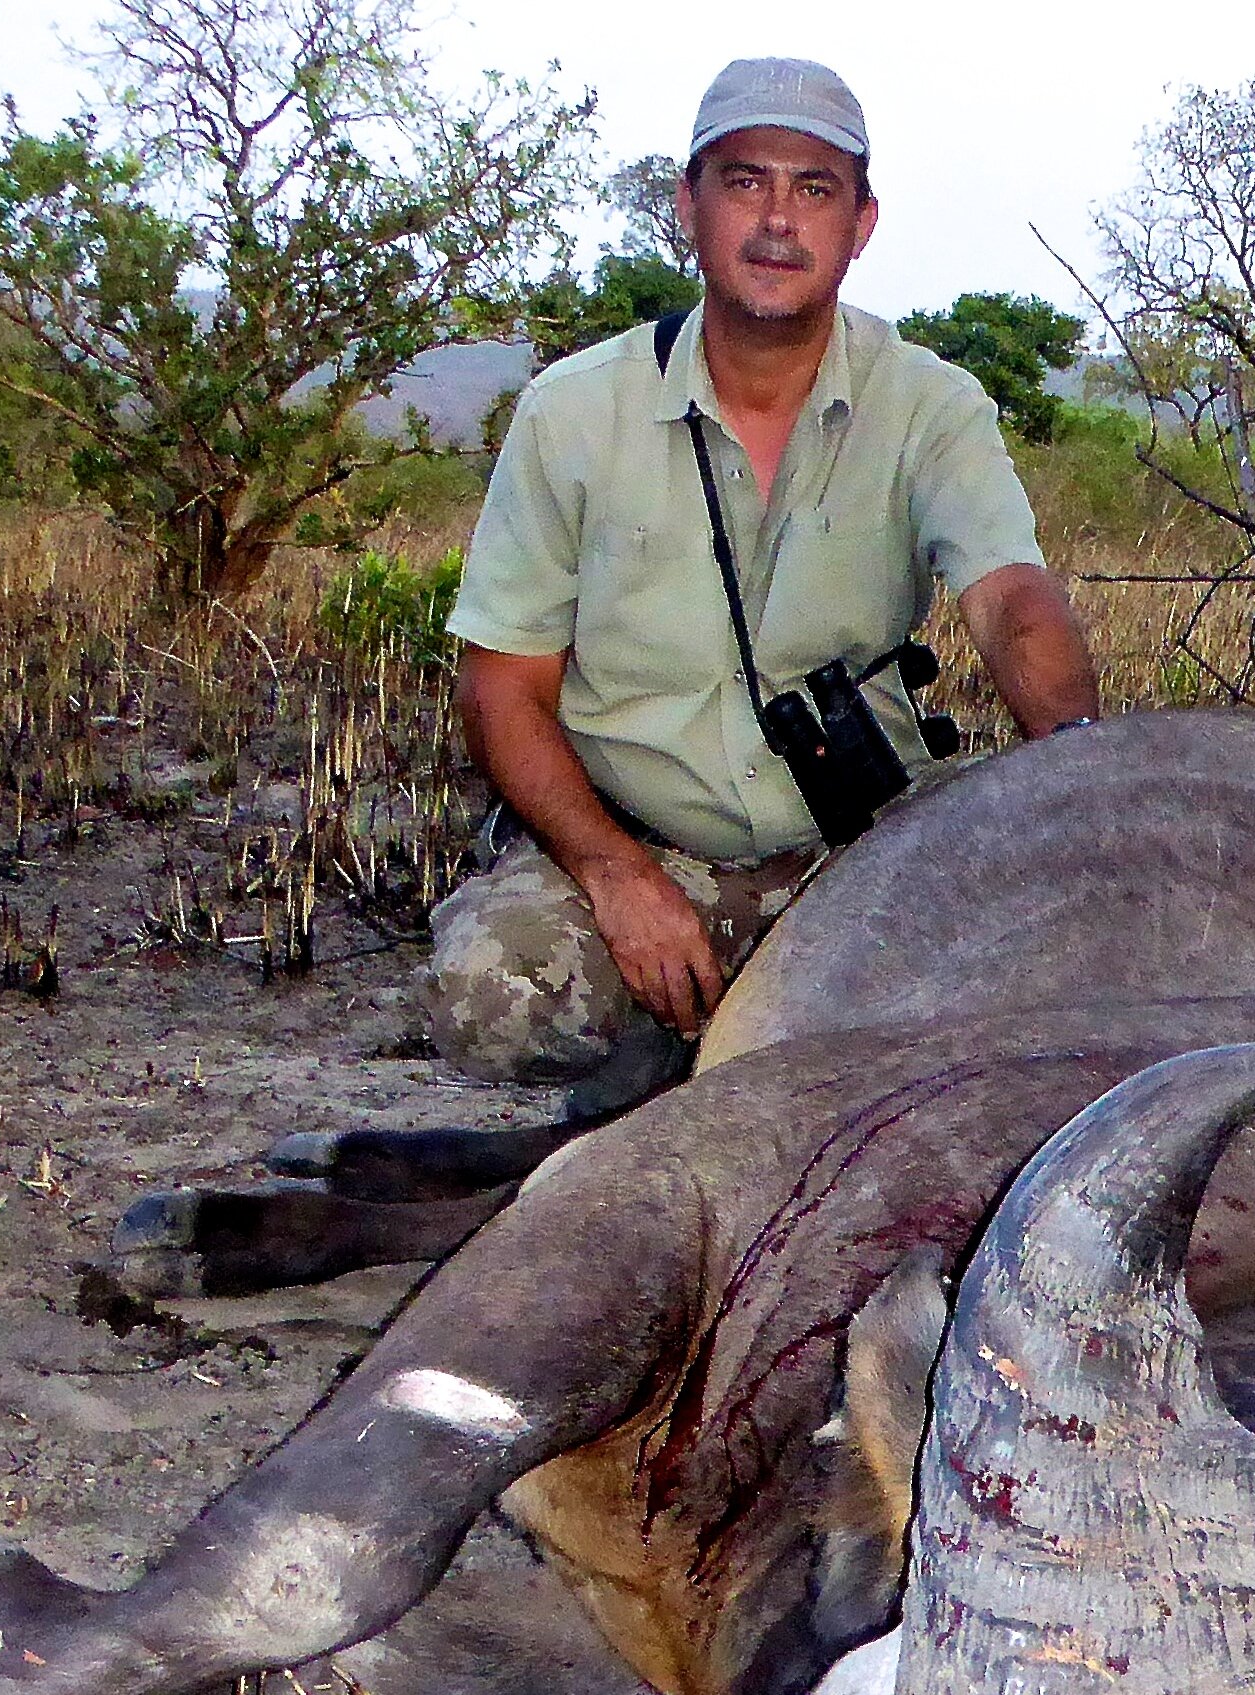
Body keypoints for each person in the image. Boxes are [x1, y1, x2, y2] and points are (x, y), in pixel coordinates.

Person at [431, 56, 1105, 1116]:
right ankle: (687, 1053)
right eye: (744, 182)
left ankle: (725, 1069)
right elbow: (499, 688)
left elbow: (1010, 602)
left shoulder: (934, 404)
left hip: (860, 851)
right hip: (645, 843)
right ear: (687, 204)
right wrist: (616, 879)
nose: (778, 220)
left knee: (1046, 989)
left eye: (814, 189)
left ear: (862, 221)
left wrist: (1087, 780)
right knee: (497, 993)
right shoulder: (571, 409)